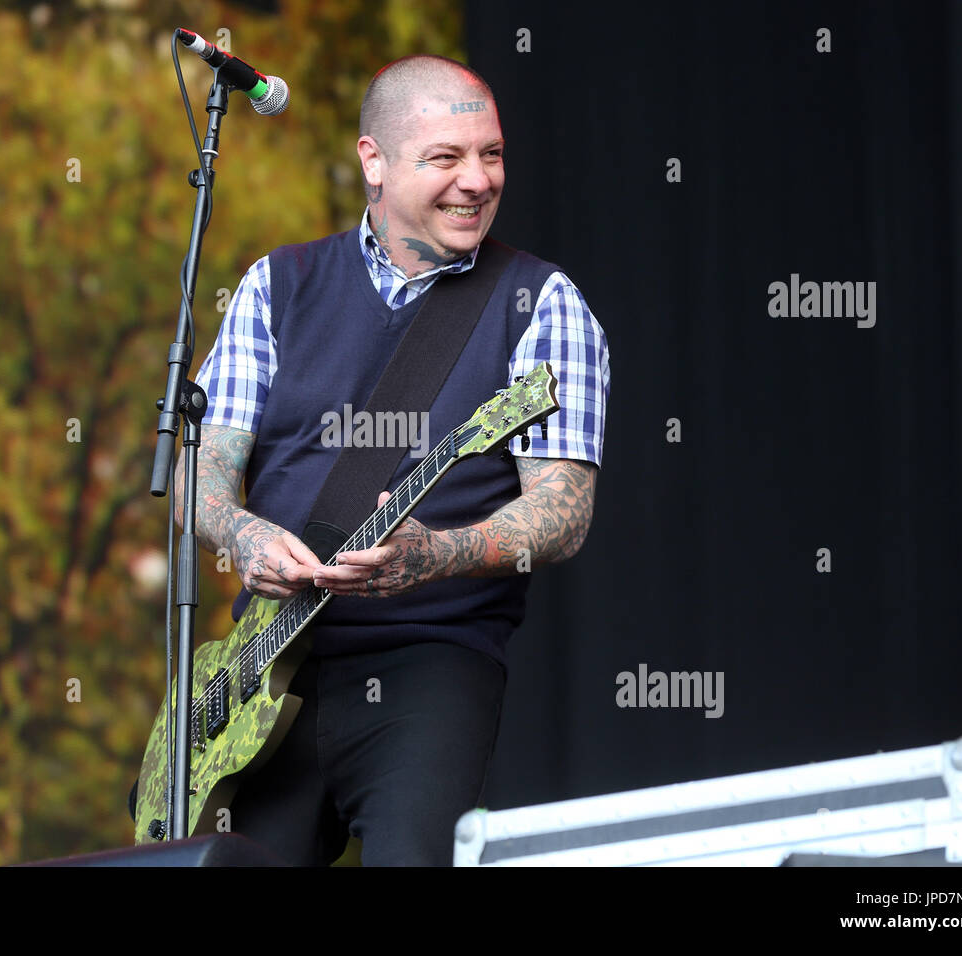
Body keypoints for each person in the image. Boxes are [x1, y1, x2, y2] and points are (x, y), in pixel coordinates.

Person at [174, 54, 610, 865]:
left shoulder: (541, 303)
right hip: (262, 671)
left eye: (492, 154)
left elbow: (565, 511)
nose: (478, 180)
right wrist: (241, 535)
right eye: (446, 157)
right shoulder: (277, 285)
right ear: (373, 162)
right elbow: (200, 474)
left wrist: (438, 554)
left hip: (430, 666)